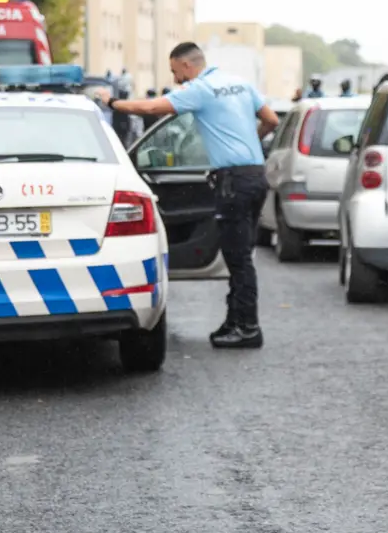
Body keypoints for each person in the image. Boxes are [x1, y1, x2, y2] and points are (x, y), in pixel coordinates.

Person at [101, 42, 279, 349]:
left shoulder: (202, 88)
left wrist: (113, 103)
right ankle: (235, 320)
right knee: (242, 255)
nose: (175, 79)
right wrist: (250, 141)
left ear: (186, 65)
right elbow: (272, 120)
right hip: (254, 175)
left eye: (174, 71)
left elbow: (153, 108)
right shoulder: (239, 83)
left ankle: (247, 327)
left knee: (238, 260)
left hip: (233, 182)